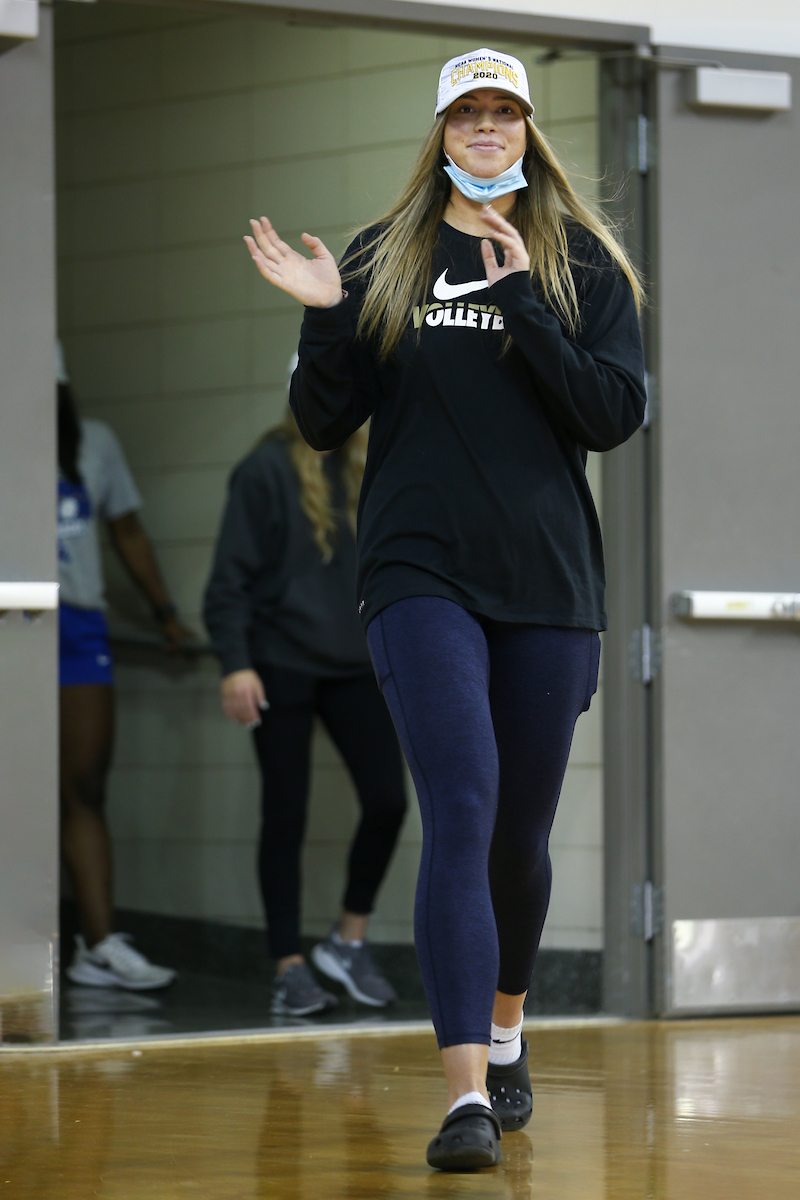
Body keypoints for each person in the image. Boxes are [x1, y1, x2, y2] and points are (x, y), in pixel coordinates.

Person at [243, 46, 645, 1171]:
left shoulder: (581, 262)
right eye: (464, 112)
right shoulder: (384, 255)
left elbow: (611, 413)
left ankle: (509, 1027)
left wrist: (519, 292)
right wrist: (327, 316)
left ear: (525, 128)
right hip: (418, 574)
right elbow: (324, 422)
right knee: (459, 814)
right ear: (439, 131)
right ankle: (466, 1092)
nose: (483, 128)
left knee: (518, 837)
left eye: (501, 112)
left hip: (548, 583)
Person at [202, 386, 407, 1018]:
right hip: (280, 662)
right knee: (286, 814)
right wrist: (235, 663)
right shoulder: (264, 470)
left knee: (388, 801)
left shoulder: (369, 466)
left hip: (354, 664)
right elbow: (227, 581)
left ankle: (348, 940)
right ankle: (289, 966)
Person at [57, 347, 190, 990]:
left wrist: (165, 612)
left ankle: (98, 943)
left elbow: (127, 531)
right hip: (12, 624)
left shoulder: (93, 443)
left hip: (77, 626)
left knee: (84, 785)